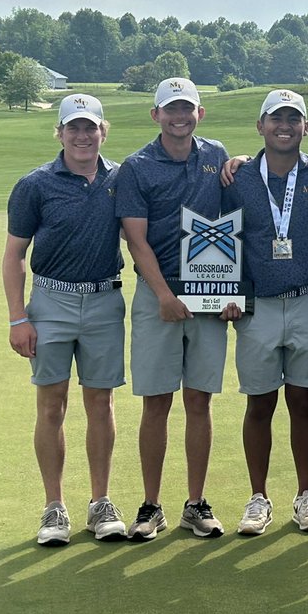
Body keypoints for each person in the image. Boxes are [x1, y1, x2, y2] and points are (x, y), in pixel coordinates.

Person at [3, 93, 128, 546]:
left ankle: (100, 504)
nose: (81, 135)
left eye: (89, 127)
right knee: (52, 405)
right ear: (59, 133)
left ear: (102, 130)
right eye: (72, 127)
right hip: (50, 302)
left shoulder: (120, 179)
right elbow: (15, 255)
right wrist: (18, 318)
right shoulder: (34, 185)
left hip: (104, 301)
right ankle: (54, 508)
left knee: (101, 403)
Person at [115, 77, 231, 540]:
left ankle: (196, 503)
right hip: (157, 295)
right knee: (156, 402)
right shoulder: (137, 166)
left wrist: (229, 294)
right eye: (170, 110)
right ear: (156, 115)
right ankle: (150, 506)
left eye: (187, 109)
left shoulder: (216, 155)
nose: (179, 117)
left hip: (209, 292)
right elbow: (135, 240)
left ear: (199, 113)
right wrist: (163, 295)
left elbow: (230, 224)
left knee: (199, 400)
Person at [223, 89, 308, 536]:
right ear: (260, 126)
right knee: (260, 402)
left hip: (307, 299)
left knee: (303, 401)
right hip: (257, 307)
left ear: (306, 127)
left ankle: (305, 495)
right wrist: (224, 291)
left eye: (294, 119)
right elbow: (223, 237)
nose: (284, 126)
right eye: (276, 118)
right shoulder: (237, 177)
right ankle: (258, 498)